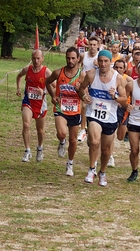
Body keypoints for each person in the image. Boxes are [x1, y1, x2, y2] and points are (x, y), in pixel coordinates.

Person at [78, 50, 127, 187]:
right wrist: (84, 96)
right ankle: (91, 169)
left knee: (105, 150)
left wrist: (115, 97)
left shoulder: (118, 78)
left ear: (111, 62)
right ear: (97, 61)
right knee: (94, 141)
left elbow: (124, 101)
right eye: (101, 61)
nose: (103, 64)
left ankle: (103, 172)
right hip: (94, 114)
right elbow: (81, 89)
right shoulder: (92, 74)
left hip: (110, 118)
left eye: (106, 61)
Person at [45, 47, 85, 177]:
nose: (70, 60)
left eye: (73, 58)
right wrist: (52, 95)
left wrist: (80, 90)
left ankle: (70, 163)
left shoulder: (82, 75)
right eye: (68, 58)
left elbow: (84, 95)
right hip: (60, 108)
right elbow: (47, 81)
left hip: (75, 110)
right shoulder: (58, 73)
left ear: (78, 58)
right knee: (62, 133)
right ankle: (62, 142)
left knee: (73, 140)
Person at [16, 49, 53, 163]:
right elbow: (19, 75)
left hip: (41, 104)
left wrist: (44, 91)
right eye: (34, 58)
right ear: (31, 59)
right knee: (26, 124)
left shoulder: (47, 72)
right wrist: (18, 88)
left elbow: (56, 86)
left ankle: (40, 148)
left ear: (42, 59)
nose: (36, 61)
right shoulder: (28, 69)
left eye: (38, 58)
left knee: (40, 130)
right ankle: (27, 150)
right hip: (28, 101)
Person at [78, 36, 99, 143]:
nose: (92, 47)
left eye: (94, 45)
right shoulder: (83, 55)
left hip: (96, 84)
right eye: (90, 44)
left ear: (98, 46)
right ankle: (82, 130)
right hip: (85, 82)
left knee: (94, 106)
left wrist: (98, 65)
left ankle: (92, 128)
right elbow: (78, 66)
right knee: (84, 105)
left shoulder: (100, 56)